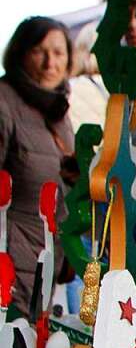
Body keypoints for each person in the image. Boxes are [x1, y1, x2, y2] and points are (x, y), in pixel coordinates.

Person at [0, 16, 74, 315]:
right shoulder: (4, 102)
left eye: (58, 53)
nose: (49, 63)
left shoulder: (58, 111)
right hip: (9, 264)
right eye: (39, 51)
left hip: (46, 263)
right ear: (19, 53)